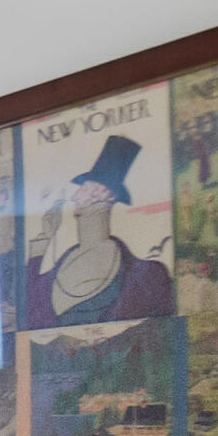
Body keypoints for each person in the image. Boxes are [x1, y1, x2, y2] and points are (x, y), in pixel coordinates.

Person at [25, 133, 174, 327]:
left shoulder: (150, 276)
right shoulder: (64, 263)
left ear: (103, 194)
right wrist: (45, 237)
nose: (75, 197)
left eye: (84, 189)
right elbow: (28, 304)